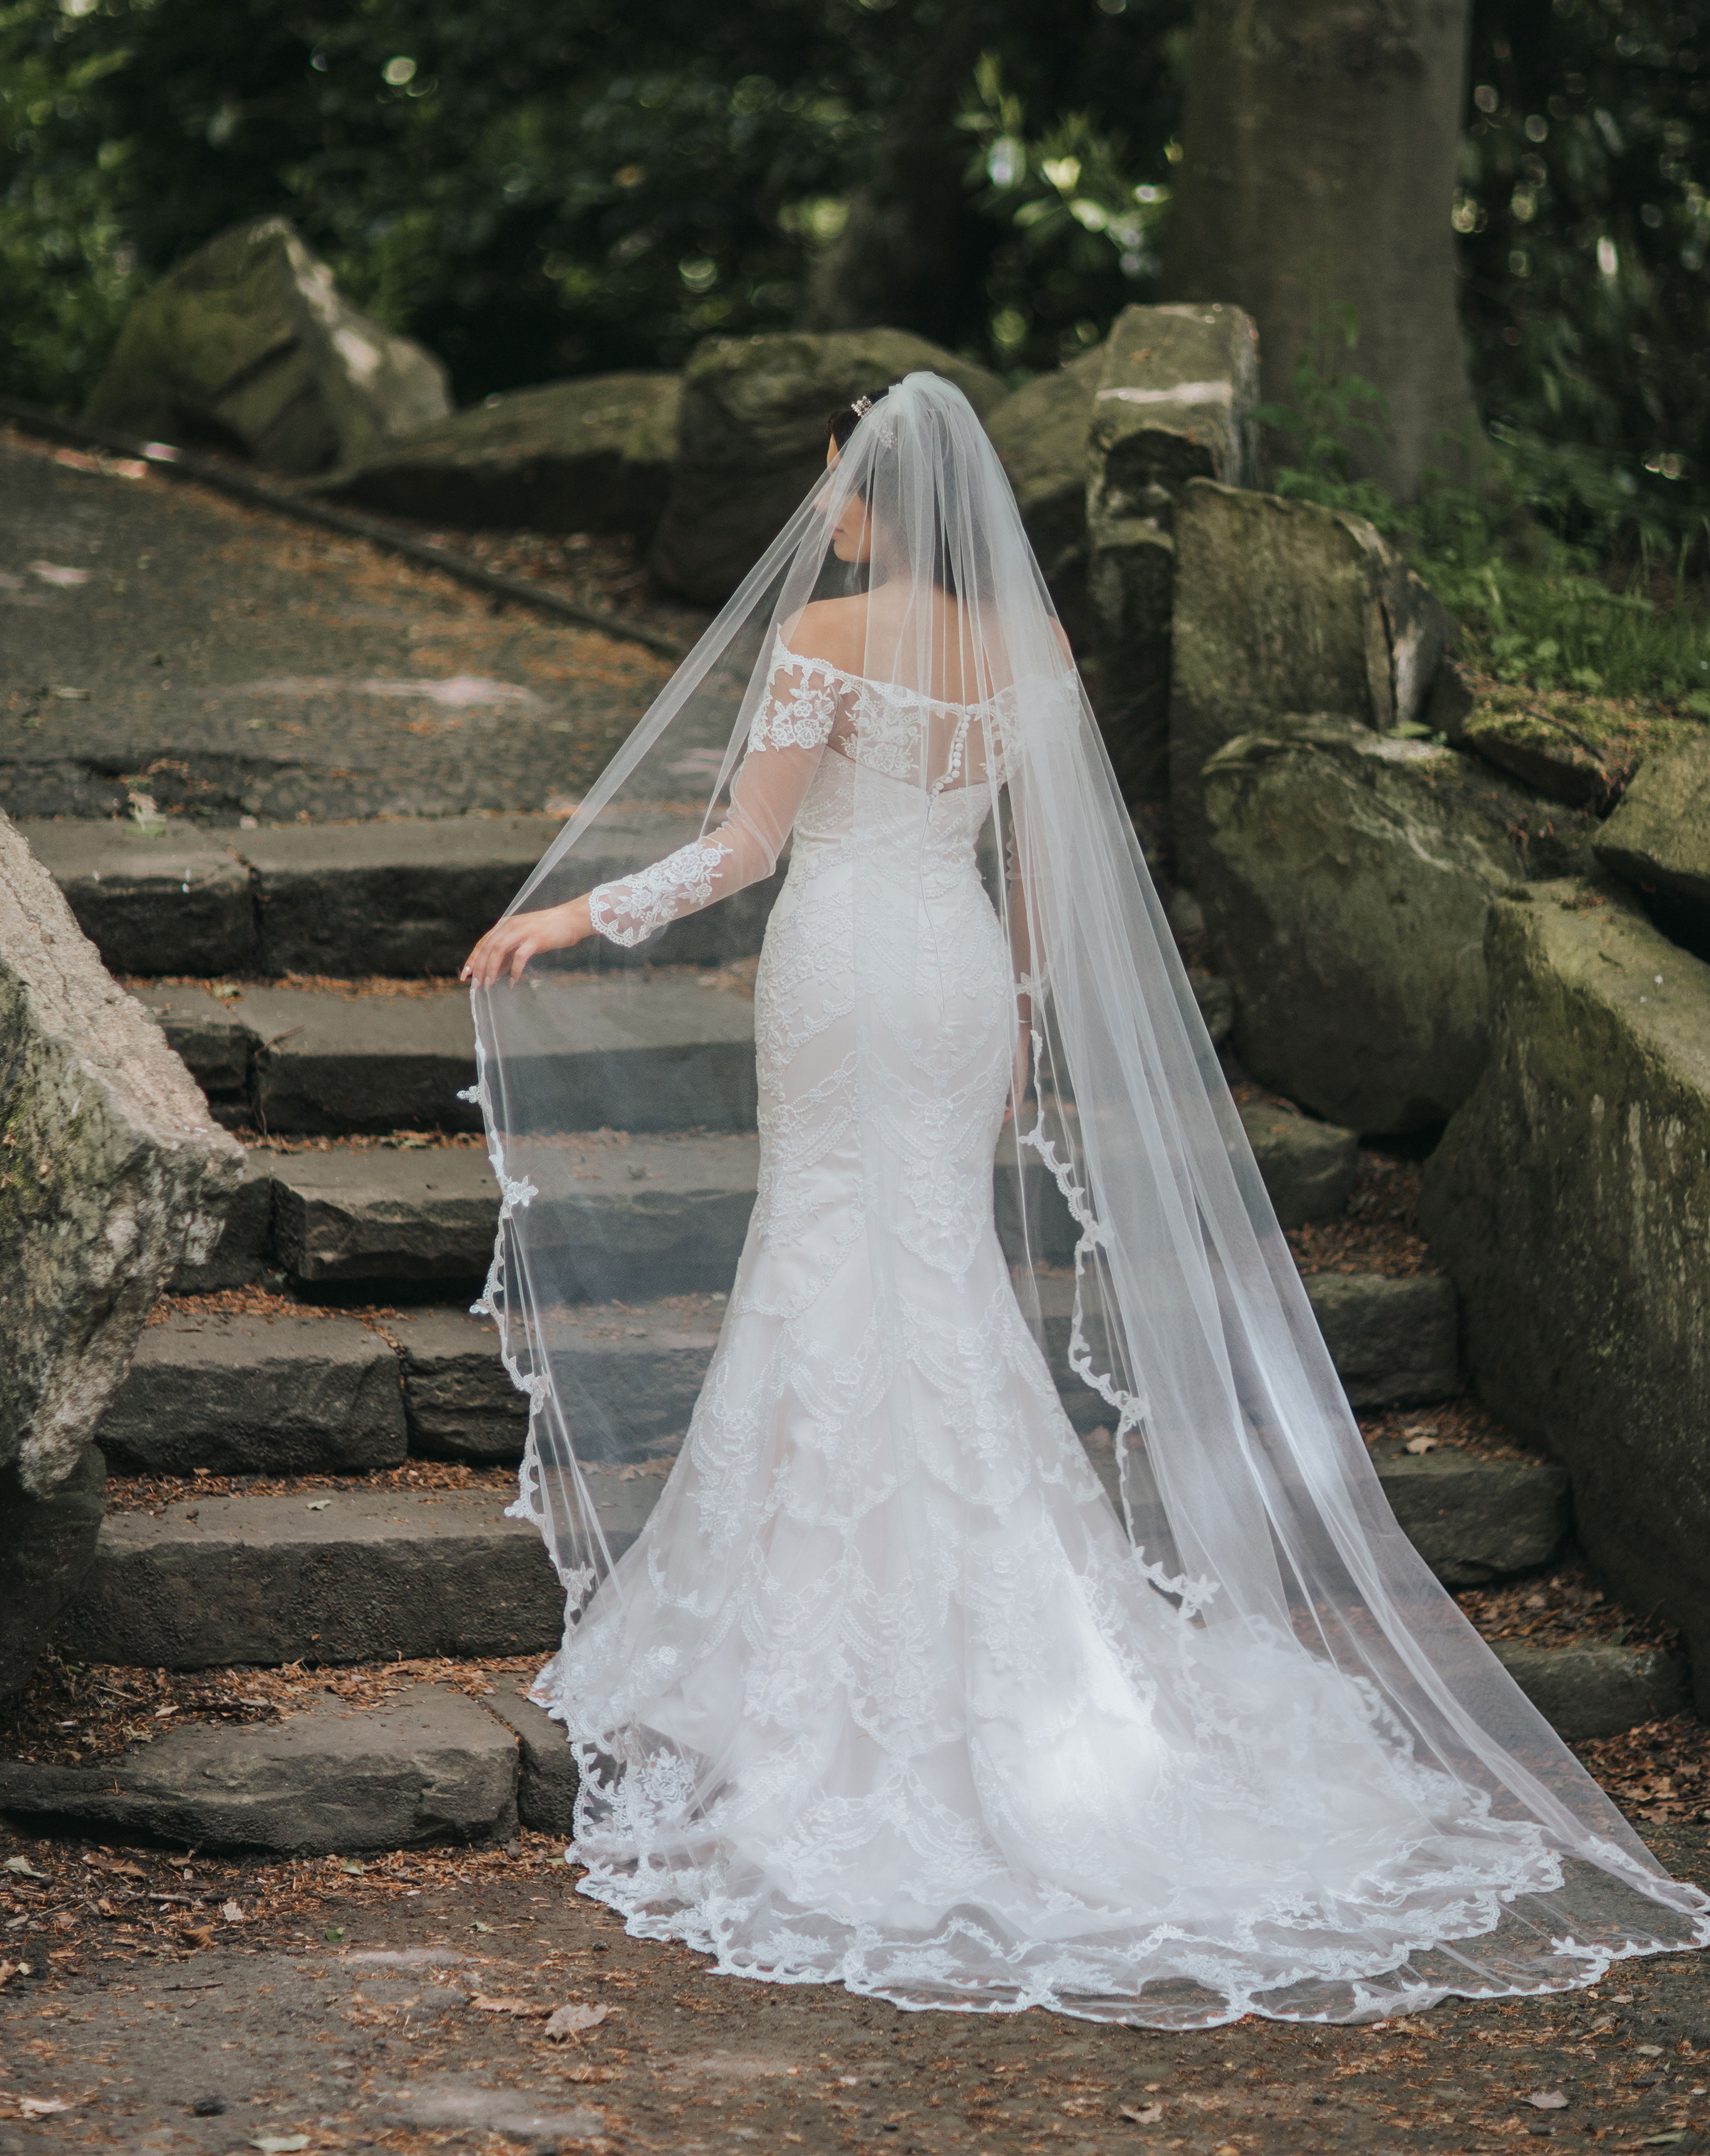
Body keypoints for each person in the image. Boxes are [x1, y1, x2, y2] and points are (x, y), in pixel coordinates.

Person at [461, 372, 1707, 2026]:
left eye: (837, 485)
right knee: (932, 1267)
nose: (825, 513)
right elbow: (1045, 877)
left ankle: (808, 1643)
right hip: (961, 976)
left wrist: (578, 913)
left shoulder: (828, 641)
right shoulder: (1032, 653)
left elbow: (747, 852)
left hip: (841, 968)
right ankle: (1016, 1630)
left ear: (878, 492)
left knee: (826, 1251)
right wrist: (1026, 1028)